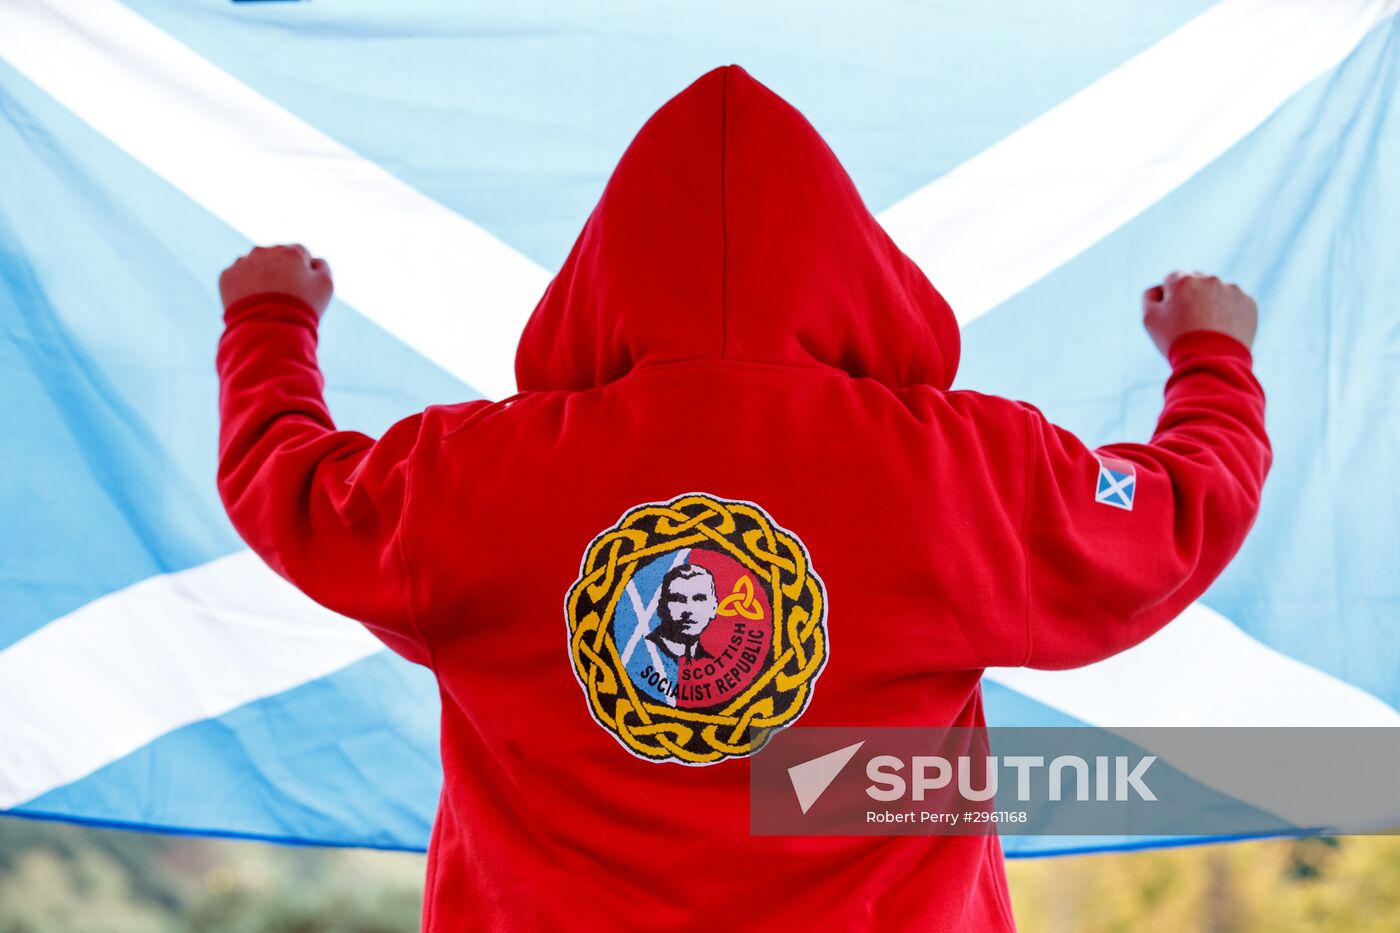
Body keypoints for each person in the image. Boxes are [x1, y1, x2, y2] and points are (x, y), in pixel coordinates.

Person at [216, 65, 1269, 931]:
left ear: (599, 271)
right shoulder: (957, 471)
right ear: (857, 265)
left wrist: (270, 323)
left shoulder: (470, 479)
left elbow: (296, 486)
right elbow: (1170, 515)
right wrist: (1207, 357)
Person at [647, 564, 719, 661]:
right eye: (677, 599)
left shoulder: (710, 660)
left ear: (714, 608)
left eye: (699, 599)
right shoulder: (643, 651)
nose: (688, 610)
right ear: (661, 607)